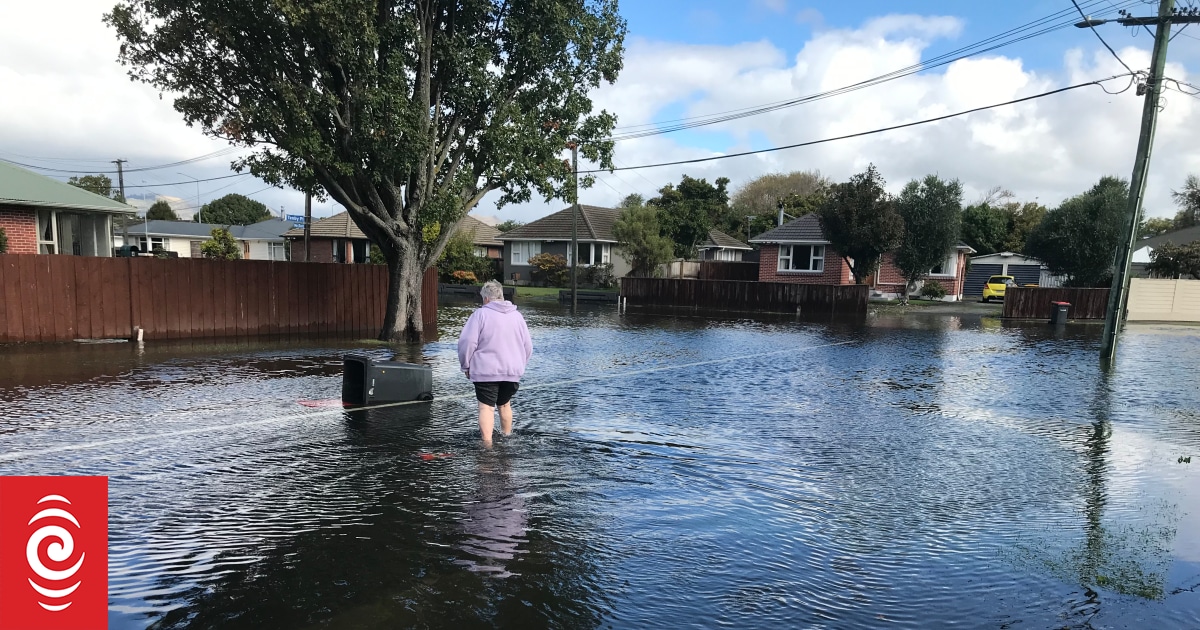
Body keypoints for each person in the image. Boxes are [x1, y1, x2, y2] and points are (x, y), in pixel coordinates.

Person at [457, 280, 533, 446]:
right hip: (512, 372)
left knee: (486, 408)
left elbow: (467, 343)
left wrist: (466, 366)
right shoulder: (517, 316)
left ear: (486, 299)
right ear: (501, 296)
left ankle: (487, 445)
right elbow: (528, 346)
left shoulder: (480, 315)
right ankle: (507, 438)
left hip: (486, 372)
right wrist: (519, 366)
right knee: (504, 405)